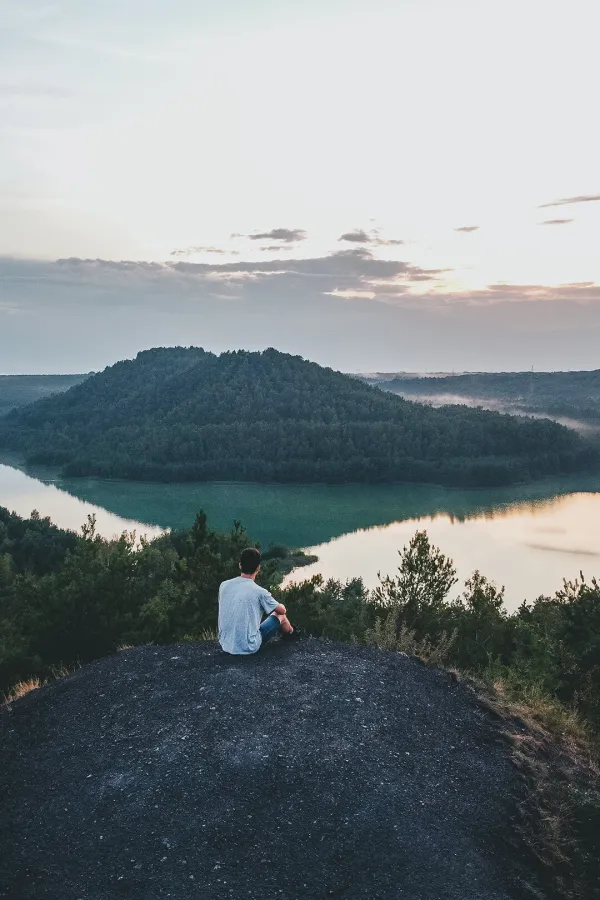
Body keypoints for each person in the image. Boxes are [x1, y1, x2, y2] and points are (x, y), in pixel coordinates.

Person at [218, 547, 295, 655]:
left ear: (240, 565)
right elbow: (281, 611)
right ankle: (291, 634)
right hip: (248, 646)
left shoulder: (224, 585)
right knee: (280, 615)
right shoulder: (259, 592)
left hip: (225, 644)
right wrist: (281, 605)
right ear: (258, 568)